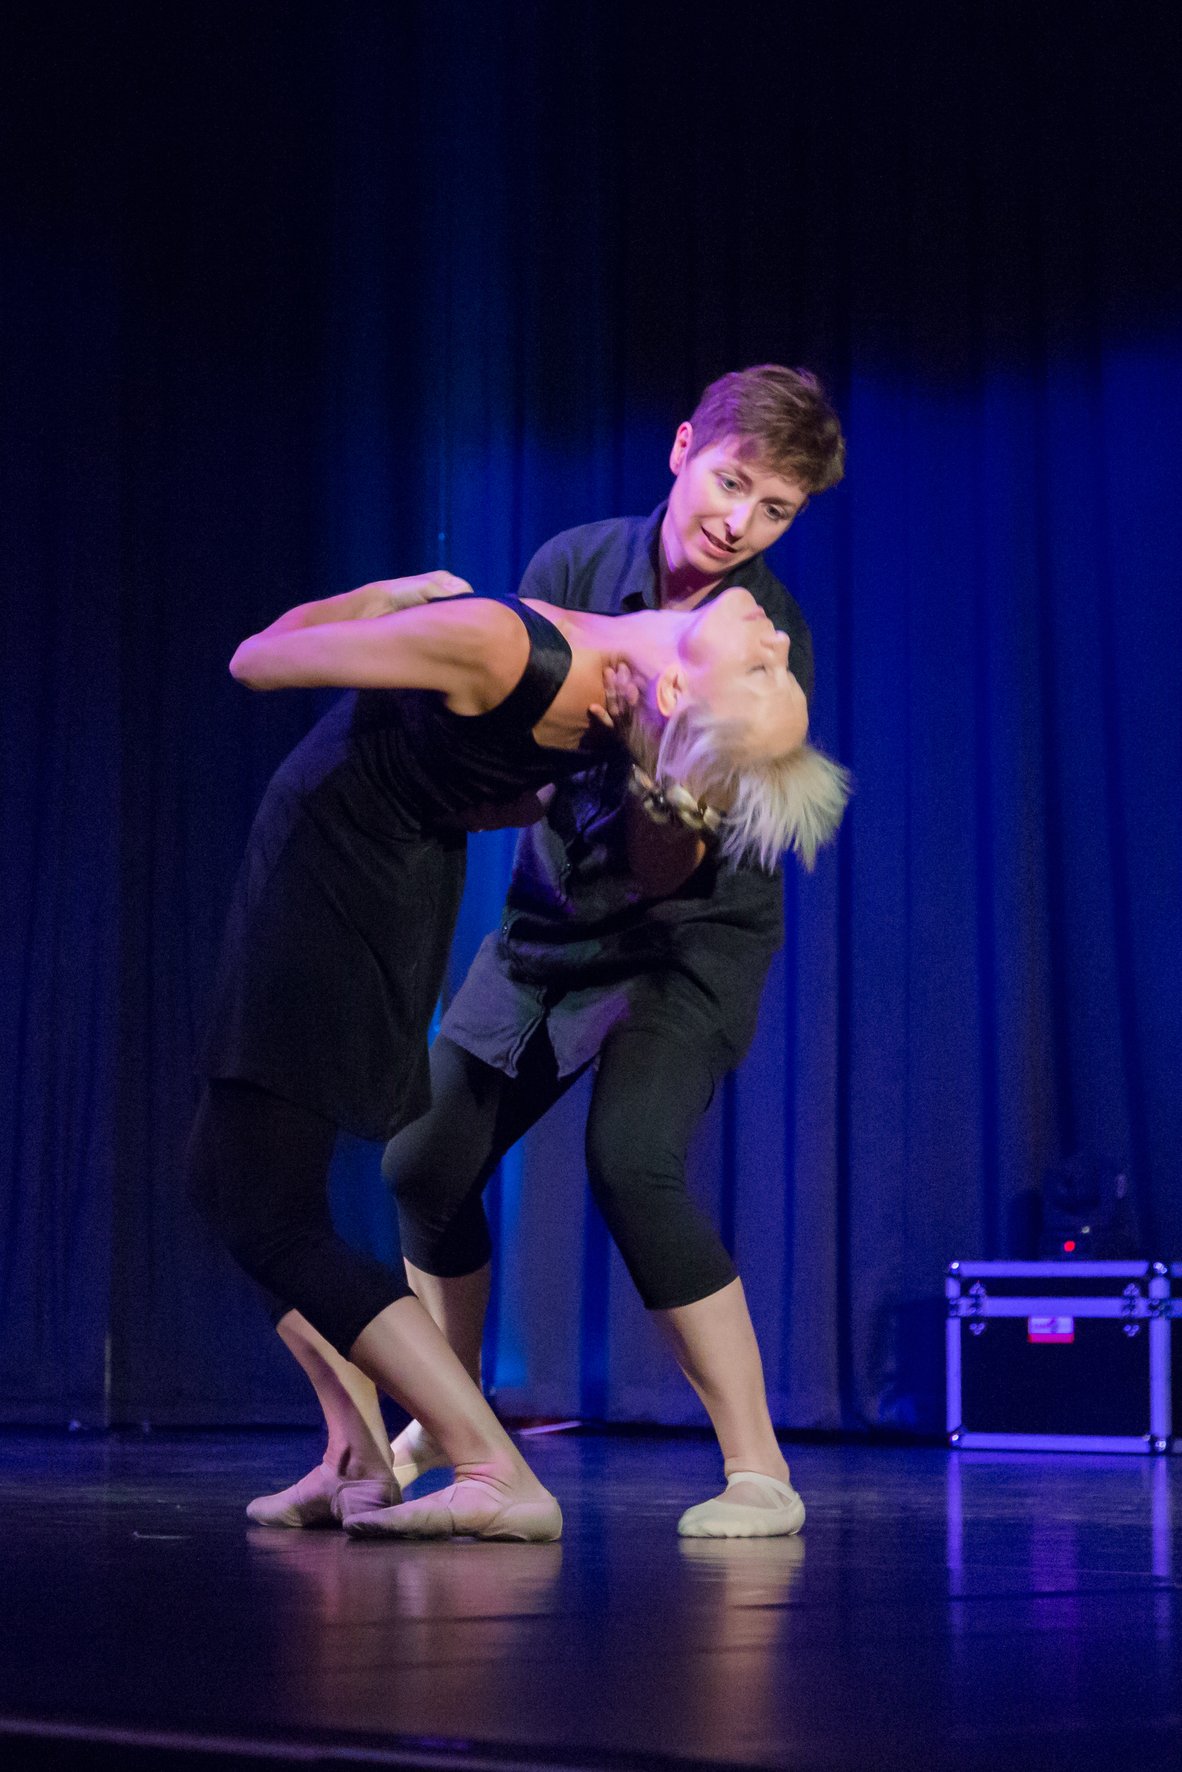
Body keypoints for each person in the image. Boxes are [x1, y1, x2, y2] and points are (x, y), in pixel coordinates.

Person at [249, 364, 849, 1542]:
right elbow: (511, 751)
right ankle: (454, 1419)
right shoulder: (578, 564)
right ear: (683, 448)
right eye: (732, 483)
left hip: (684, 941)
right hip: (554, 921)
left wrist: (669, 783)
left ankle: (760, 1468)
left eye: (776, 508)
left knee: (633, 1156)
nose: (741, 522)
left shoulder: (759, 640)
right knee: (423, 1162)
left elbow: (669, 867)